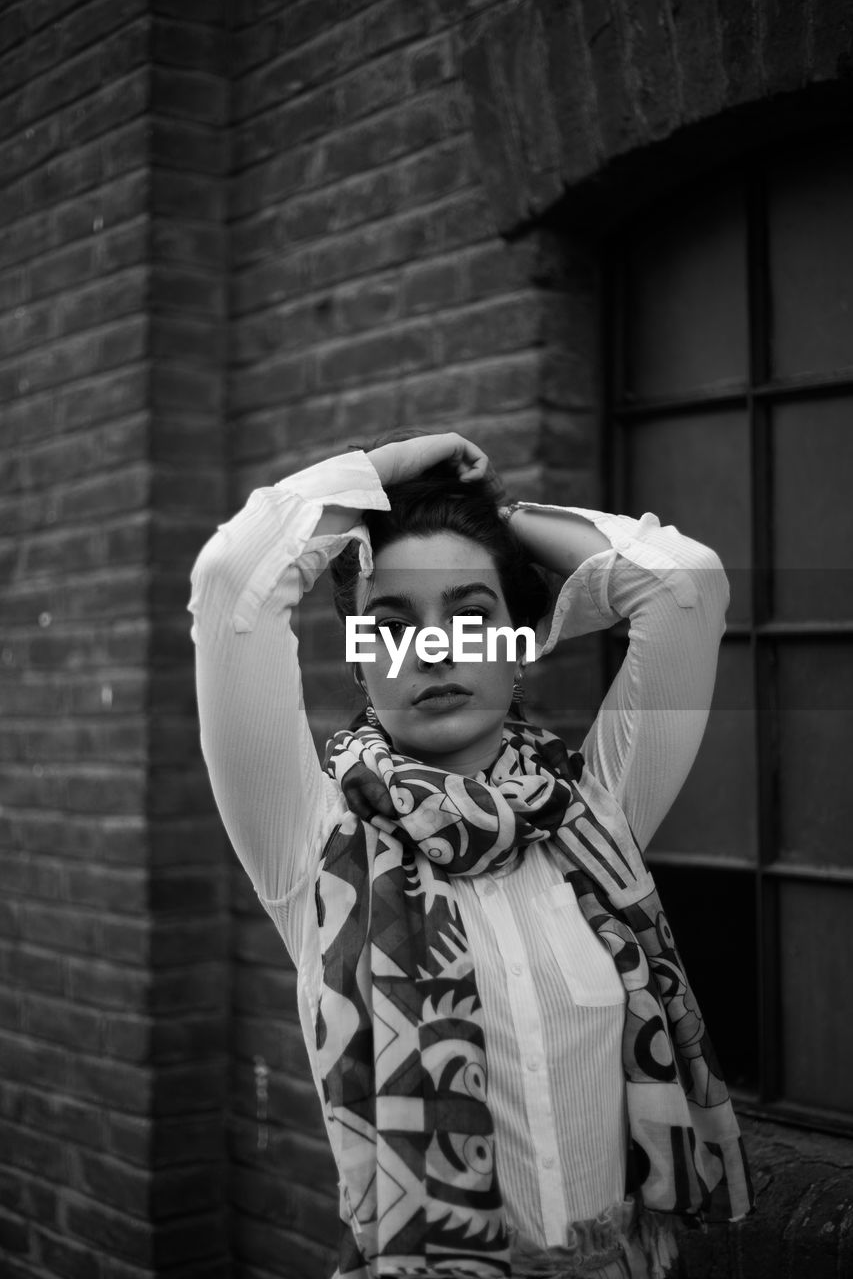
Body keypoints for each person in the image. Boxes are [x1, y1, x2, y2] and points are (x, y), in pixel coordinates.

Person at [189, 432, 753, 1279]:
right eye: (391, 624)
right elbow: (235, 578)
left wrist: (501, 520)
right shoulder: (312, 841)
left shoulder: (590, 819)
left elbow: (685, 586)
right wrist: (392, 469)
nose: (434, 649)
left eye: (471, 616)